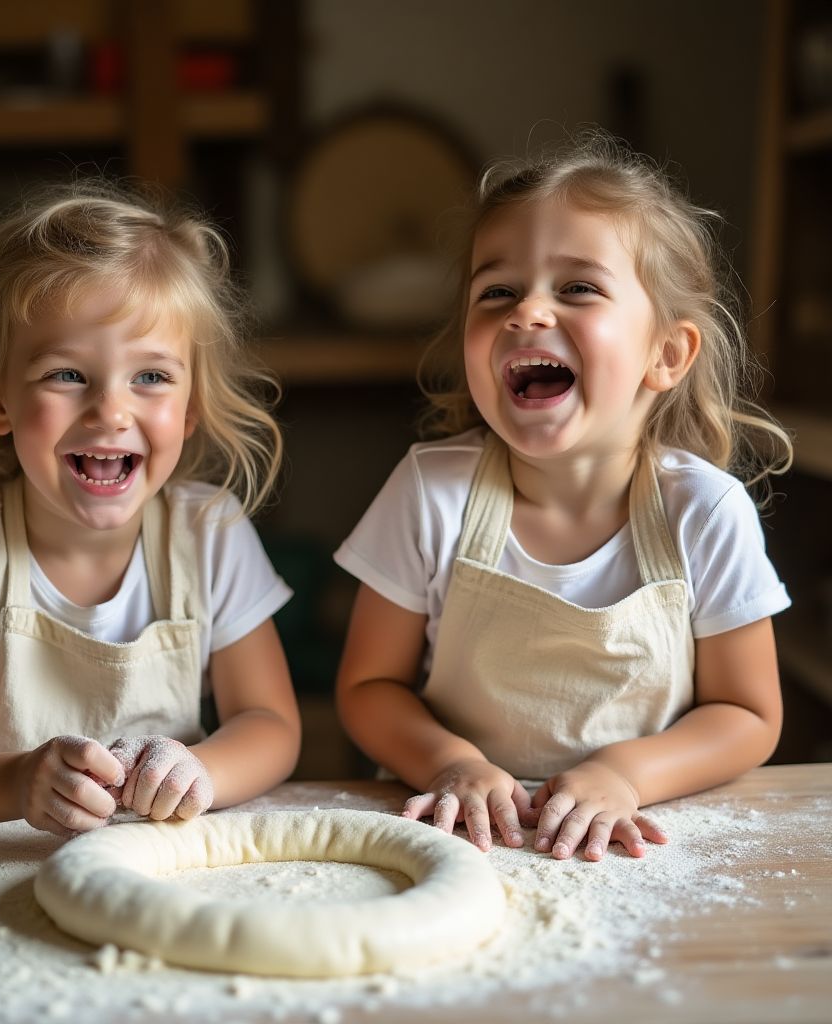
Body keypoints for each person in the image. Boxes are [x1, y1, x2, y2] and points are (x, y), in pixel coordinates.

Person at [334, 132, 792, 862]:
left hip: (635, 845)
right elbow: (368, 685)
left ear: (666, 353)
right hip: (459, 841)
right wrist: (452, 763)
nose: (526, 313)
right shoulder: (431, 491)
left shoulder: (704, 511)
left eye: (577, 288)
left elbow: (748, 714)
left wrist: (625, 774)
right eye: (498, 292)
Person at [0, 180, 300, 835]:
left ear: (191, 407)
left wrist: (202, 770)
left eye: (151, 376)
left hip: (161, 867)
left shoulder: (210, 533)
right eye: (67, 375)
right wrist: (14, 780)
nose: (110, 410)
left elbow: (271, 723)